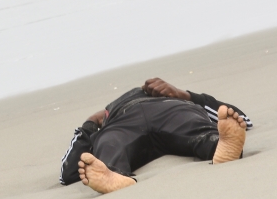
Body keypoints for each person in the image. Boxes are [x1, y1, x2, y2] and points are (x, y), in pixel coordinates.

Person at [59, 77, 252, 194]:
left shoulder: (171, 95)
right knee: (110, 143)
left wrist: (183, 94)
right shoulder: (108, 117)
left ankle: (220, 146)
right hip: (128, 120)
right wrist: (91, 123)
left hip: (168, 108)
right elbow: (69, 174)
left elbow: (243, 120)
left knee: (192, 124)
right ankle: (113, 175)